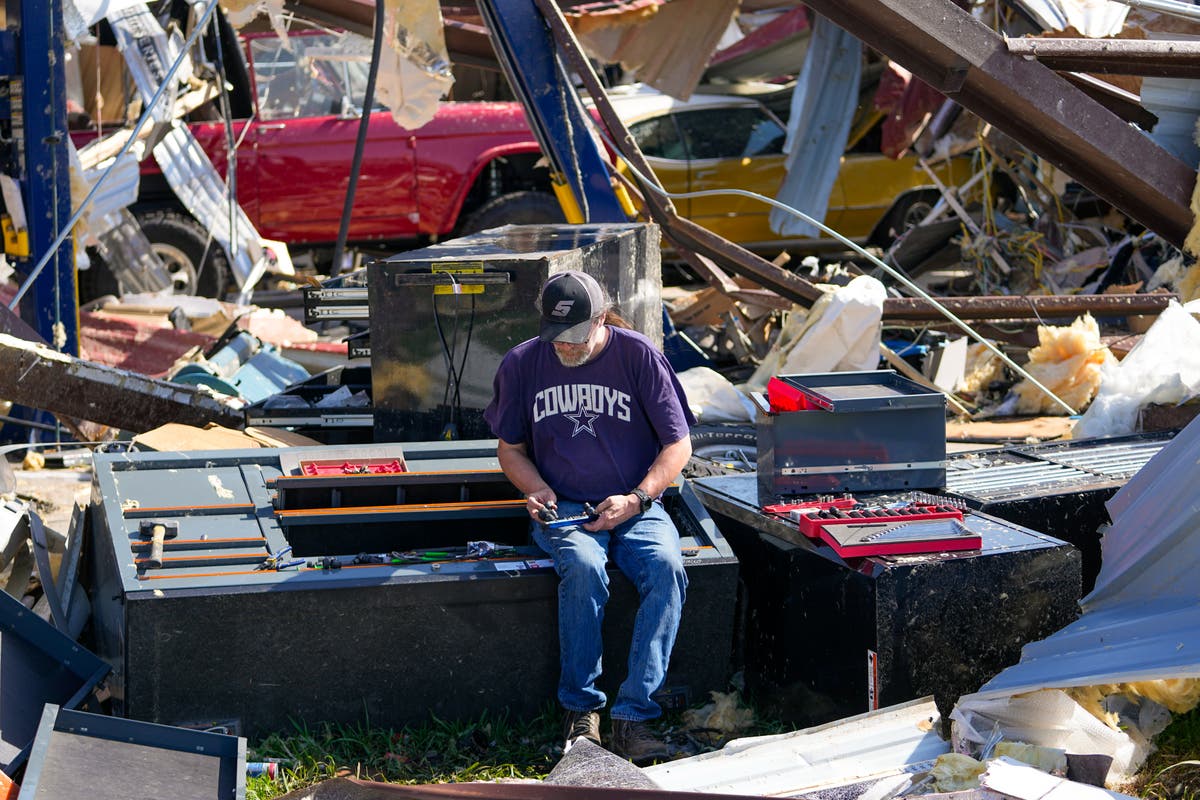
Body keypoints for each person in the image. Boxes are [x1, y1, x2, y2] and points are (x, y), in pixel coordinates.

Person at [483, 269, 695, 765]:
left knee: (668, 569)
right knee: (582, 567)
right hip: (567, 508)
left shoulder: (639, 356)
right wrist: (534, 488)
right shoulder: (522, 362)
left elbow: (678, 444)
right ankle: (581, 714)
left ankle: (633, 717)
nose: (564, 347)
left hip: (636, 501)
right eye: (555, 337)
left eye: (575, 337)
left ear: (601, 320)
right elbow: (509, 448)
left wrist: (639, 497)